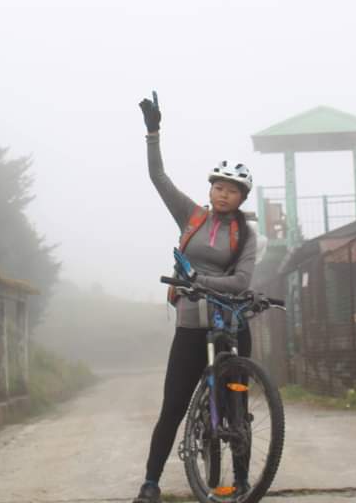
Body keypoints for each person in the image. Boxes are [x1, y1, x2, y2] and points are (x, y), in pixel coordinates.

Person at [133, 93, 260, 503]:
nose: (223, 194)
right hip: (191, 325)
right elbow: (158, 178)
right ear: (210, 191)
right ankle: (150, 482)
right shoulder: (191, 215)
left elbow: (241, 282)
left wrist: (203, 280)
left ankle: (240, 480)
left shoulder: (246, 234)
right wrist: (153, 133)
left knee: (238, 409)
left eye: (232, 190)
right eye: (218, 187)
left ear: (242, 198)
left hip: (231, 325)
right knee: (172, 407)